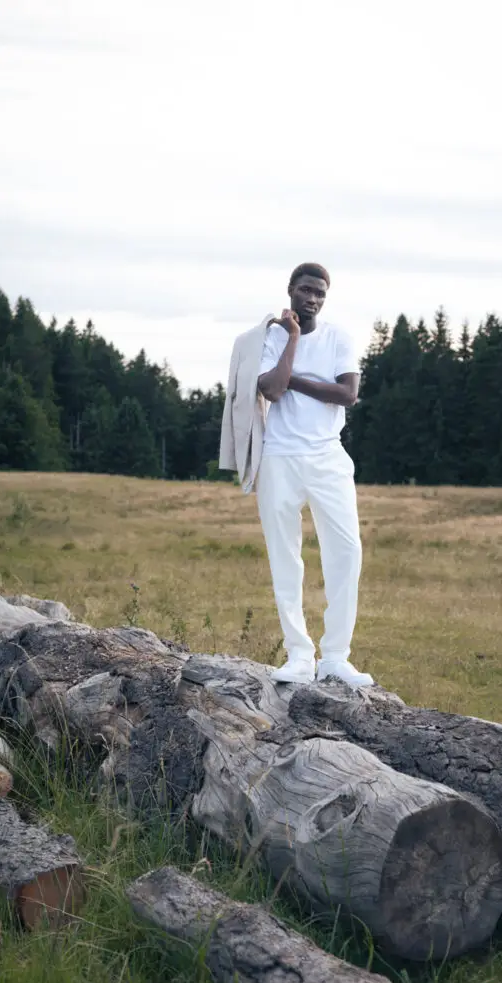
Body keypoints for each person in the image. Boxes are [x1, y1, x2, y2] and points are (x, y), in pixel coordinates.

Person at [219, 262, 373, 687]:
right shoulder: (271, 337)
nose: (313, 298)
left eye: (320, 293)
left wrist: (296, 381)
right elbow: (270, 389)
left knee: (347, 552)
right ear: (290, 290)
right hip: (279, 457)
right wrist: (290, 337)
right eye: (306, 290)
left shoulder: (338, 337)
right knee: (285, 558)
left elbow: (348, 394)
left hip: (328, 457)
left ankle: (336, 658)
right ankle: (299, 656)